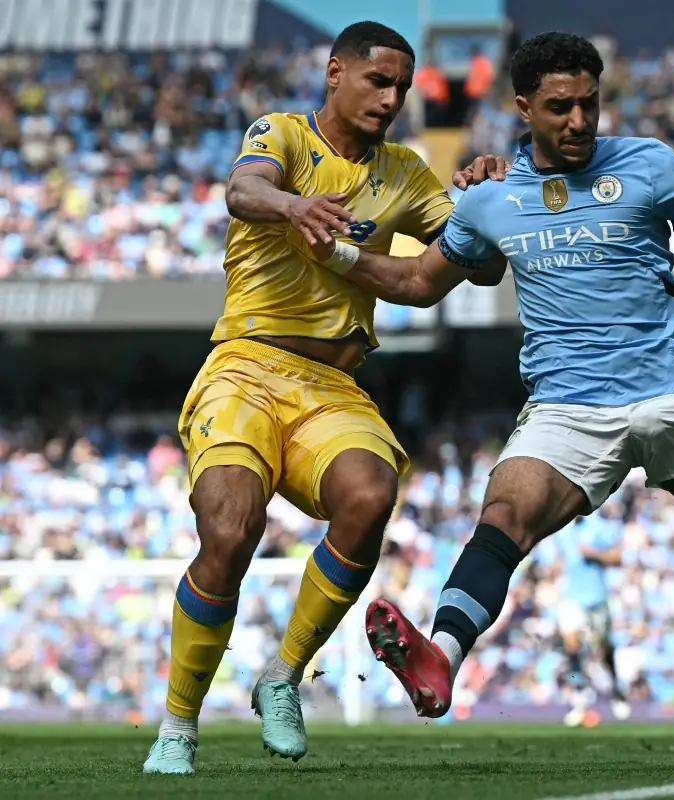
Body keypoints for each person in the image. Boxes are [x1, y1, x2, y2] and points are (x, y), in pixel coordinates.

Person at [305, 31, 674, 718]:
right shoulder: (489, 197)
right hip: (568, 411)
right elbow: (417, 280)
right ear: (523, 107)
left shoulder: (648, 165)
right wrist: (338, 255)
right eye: (559, 107)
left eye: (589, 104)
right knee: (503, 516)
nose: (579, 121)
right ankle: (441, 657)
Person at [142, 21, 507, 774]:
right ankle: (178, 725)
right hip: (246, 367)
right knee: (230, 531)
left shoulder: (405, 173)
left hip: (332, 385)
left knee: (370, 496)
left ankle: (282, 675)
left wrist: (486, 202)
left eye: (401, 87)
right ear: (335, 73)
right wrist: (291, 206)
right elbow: (242, 189)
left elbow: (481, 266)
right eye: (378, 81)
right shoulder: (281, 134)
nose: (391, 98)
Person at [541, 504, 629, 726]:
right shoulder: (563, 530)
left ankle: (616, 688)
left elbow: (618, 559)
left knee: (604, 647)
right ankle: (580, 692)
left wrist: (595, 554)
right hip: (572, 598)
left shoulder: (599, 527)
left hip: (596, 598)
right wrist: (554, 570)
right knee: (571, 643)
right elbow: (562, 560)